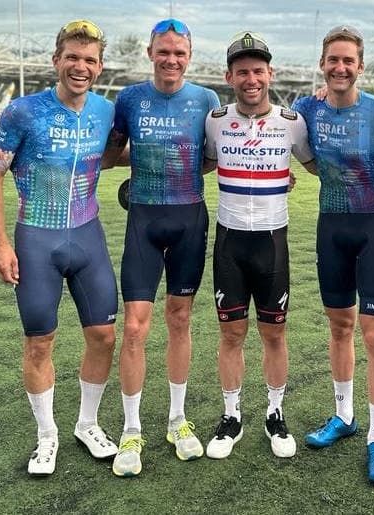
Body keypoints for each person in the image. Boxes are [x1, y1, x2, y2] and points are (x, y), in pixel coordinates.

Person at [0, 19, 118, 476]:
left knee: (103, 335)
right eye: (72, 57)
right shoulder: (22, 111)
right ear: (56, 60)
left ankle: (87, 423)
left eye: (89, 60)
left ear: (100, 66)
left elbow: (125, 152)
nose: (80, 66)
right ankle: (46, 436)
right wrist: (1, 244)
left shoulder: (105, 111)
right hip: (36, 238)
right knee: (40, 341)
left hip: (87, 234)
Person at [100, 18, 220, 476]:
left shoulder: (206, 100)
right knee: (134, 327)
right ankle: (131, 428)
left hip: (189, 218)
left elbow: (211, 158)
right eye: (163, 51)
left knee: (180, 318)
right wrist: (146, 155)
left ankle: (177, 419)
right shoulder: (129, 99)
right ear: (150, 52)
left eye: (180, 52)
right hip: (144, 222)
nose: (171, 59)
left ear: (189, 56)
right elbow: (111, 155)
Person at [291, 25, 374, 484]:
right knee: (339, 325)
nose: (340, 68)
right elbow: (293, 148)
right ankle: (344, 416)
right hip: (331, 227)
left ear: (360, 66)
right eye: (332, 60)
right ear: (323, 63)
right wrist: (308, 174)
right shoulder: (306, 109)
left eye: (348, 61)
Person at [201, 31, 315, 460]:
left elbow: (315, 163)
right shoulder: (214, 120)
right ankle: (231, 416)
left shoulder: (292, 123)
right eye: (243, 71)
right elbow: (205, 161)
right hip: (229, 239)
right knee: (231, 332)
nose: (252, 78)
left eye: (259, 70)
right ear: (230, 76)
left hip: (273, 240)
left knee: (274, 332)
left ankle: (274, 412)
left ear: (271, 73)